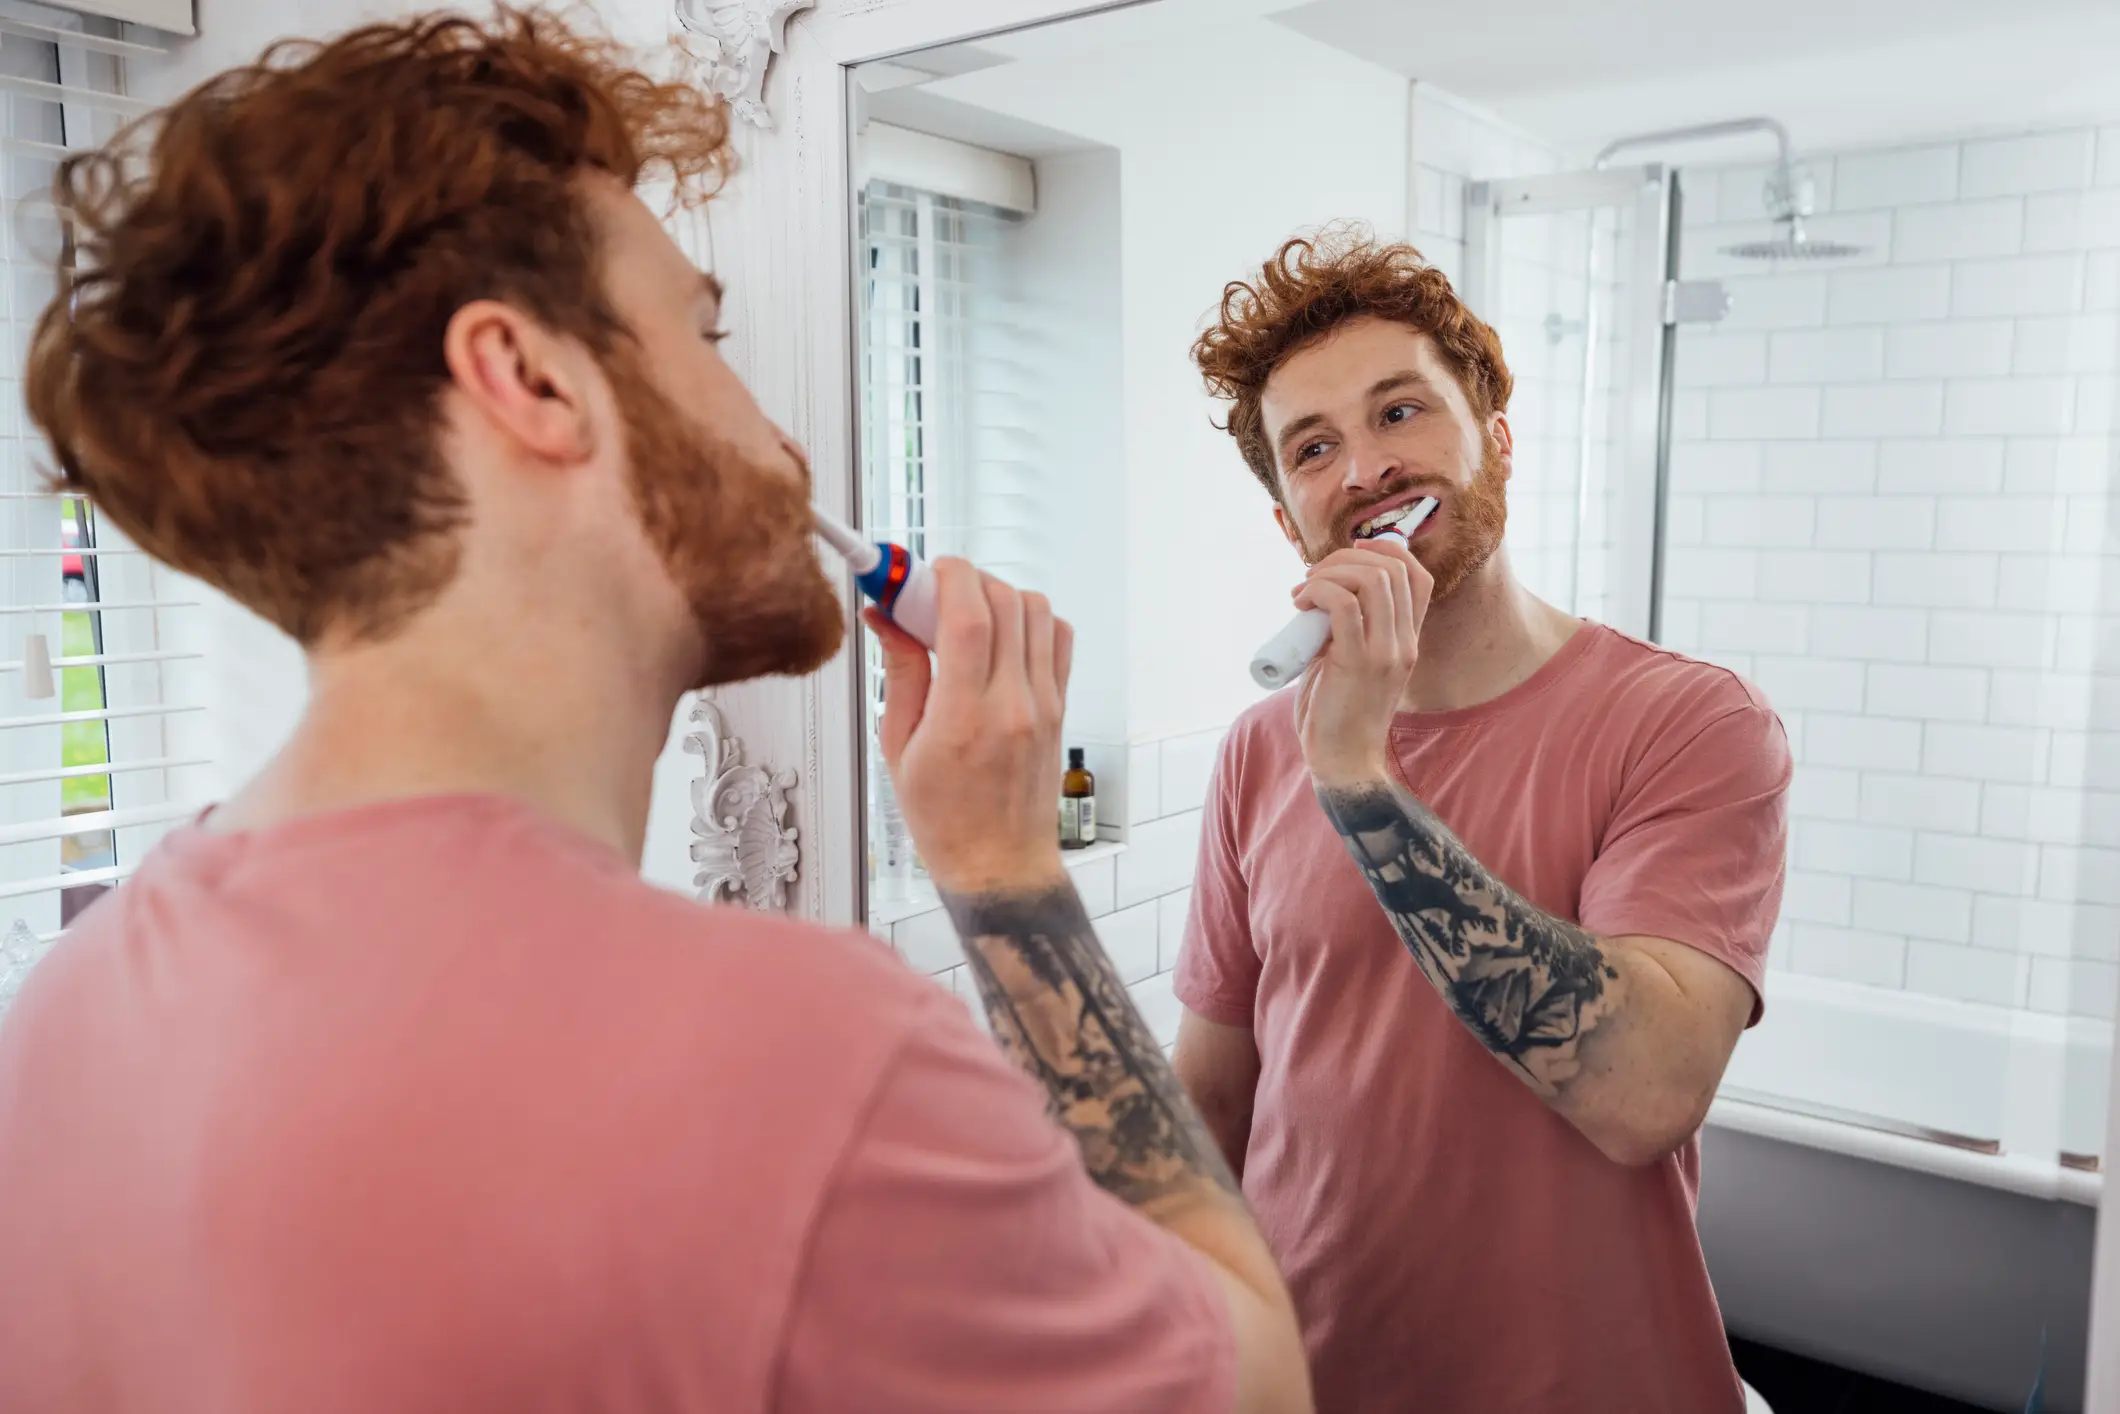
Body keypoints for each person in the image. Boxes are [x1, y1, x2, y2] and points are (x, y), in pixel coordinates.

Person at [0, 12, 1313, 1412]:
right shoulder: (800, 1065)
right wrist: (1011, 881)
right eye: (707, 329)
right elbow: (1257, 1379)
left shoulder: (66, 1021)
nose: (778, 432)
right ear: (534, 380)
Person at [1172, 229, 1793, 1414]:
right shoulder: (1257, 752)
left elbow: (1642, 1094)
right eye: (1313, 448)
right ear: (1288, 524)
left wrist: (1359, 778)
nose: (1364, 468)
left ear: (1493, 439)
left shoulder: (1686, 722)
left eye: (1399, 413)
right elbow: (1212, 1097)